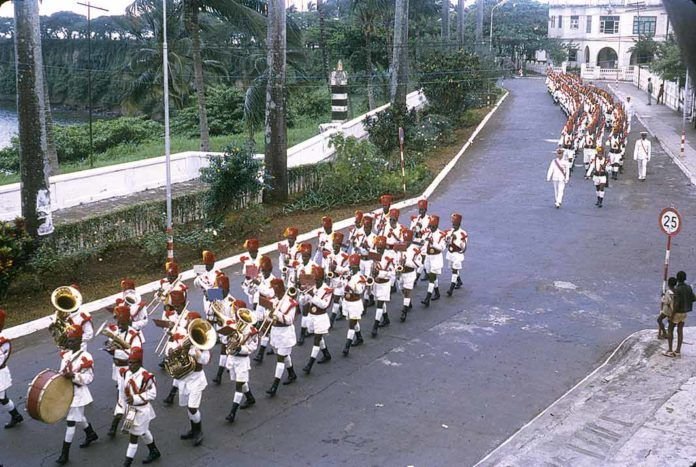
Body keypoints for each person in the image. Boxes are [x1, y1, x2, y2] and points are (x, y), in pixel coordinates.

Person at [56, 325, 99, 465]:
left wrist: (74, 375)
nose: (70, 343)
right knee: (77, 417)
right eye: (69, 340)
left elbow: (89, 378)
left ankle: (64, 454)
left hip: (79, 393)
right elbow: (61, 371)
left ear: (80, 340)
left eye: (73, 340)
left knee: (71, 422)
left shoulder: (86, 357)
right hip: (67, 392)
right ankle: (91, 434)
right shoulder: (66, 355)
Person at [106, 305, 145, 437]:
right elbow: (114, 344)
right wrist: (109, 345)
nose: (119, 325)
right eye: (118, 322)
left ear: (128, 321)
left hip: (131, 371)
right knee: (121, 395)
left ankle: (121, 424)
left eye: (122, 323)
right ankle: (117, 423)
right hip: (118, 369)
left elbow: (135, 353)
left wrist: (116, 352)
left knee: (130, 397)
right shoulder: (117, 331)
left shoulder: (135, 336)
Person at [119, 347, 161, 466]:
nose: (130, 365)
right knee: (143, 431)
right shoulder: (126, 373)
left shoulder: (147, 376)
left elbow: (153, 394)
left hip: (142, 410)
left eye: (133, 363)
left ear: (140, 362)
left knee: (133, 437)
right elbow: (122, 391)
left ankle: (127, 463)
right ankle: (154, 450)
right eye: (129, 362)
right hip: (131, 410)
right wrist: (122, 407)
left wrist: (136, 398)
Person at [173, 311, 209, 446]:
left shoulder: (202, 340)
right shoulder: (182, 338)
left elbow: (205, 360)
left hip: (196, 378)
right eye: (188, 321)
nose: (188, 323)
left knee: (192, 407)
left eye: (191, 321)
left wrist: (197, 352)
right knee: (188, 407)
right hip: (184, 377)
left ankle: (199, 431)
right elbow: (171, 353)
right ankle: (193, 430)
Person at [224, 301, 259, 423]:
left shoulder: (252, 331)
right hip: (233, 358)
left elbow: (253, 347)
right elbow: (225, 340)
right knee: (241, 382)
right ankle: (250, 398)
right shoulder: (233, 325)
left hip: (242, 360)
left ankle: (232, 412)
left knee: (238, 385)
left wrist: (241, 348)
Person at [266, 280, 299, 397]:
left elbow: (290, 320)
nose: (272, 291)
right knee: (283, 355)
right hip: (276, 332)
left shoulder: (290, 302)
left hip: (285, 333)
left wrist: (277, 314)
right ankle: (292, 373)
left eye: (274, 289)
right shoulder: (274, 301)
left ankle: (275, 385)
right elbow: (269, 317)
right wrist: (269, 315)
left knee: (280, 358)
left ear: (279, 289)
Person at [302, 266, 333, 374]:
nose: (313, 281)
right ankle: (326, 354)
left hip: (320, 317)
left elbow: (324, 305)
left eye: (315, 279)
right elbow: (303, 302)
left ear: (320, 278)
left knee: (316, 340)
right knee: (318, 337)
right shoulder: (312, 286)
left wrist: (313, 296)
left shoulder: (327, 290)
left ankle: (309, 364)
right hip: (311, 316)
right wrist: (303, 294)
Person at [0, 309, 23, 429]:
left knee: (2, 398)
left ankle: (16, 415)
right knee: (2, 399)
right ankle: (16, 415)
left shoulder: (3, 342)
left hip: (0, 374)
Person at [665, 271, 696, 357]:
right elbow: (694, 298)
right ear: (685, 278)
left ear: (677, 279)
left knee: (670, 329)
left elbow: (677, 304)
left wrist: (672, 315)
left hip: (677, 313)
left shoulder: (677, 289)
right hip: (684, 313)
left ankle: (670, 350)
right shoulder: (689, 287)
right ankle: (678, 351)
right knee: (680, 331)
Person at [342, 254, 366, 356]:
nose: (351, 269)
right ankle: (359, 337)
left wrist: (351, 287)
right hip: (347, 302)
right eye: (350, 267)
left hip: (355, 303)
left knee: (351, 325)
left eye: (353, 267)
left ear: (357, 267)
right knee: (353, 321)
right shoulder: (348, 275)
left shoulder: (360, 277)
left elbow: (360, 290)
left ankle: (347, 346)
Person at [421, 215, 447, 307]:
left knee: (432, 277)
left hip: (436, 257)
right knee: (431, 275)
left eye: (433, 226)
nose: (431, 228)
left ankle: (427, 298)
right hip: (428, 257)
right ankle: (437, 293)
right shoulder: (428, 233)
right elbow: (423, 243)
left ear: (436, 226)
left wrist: (433, 243)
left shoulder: (441, 235)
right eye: (430, 226)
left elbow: (442, 248)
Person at [398, 230, 422, 322]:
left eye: (407, 240)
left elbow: (418, 264)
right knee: (402, 290)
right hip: (401, 273)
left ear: (411, 240)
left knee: (407, 292)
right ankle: (408, 302)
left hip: (410, 273)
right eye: (404, 240)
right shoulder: (400, 248)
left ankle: (404, 311)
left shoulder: (415, 250)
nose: (405, 242)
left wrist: (406, 262)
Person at [445, 214, 468, 297]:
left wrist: (455, 240)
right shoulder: (450, 231)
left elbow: (463, 247)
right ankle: (459, 281)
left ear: (459, 224)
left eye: (455, 224)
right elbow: (446, 242)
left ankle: (451, 289)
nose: (453, 226)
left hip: (457, 254)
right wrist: (447, 239)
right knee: (452, 268)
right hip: (450, 253)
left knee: (454, 270)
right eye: (453, 224)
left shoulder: (462, 233)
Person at [193, 250, 218, 321]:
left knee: (217, 319)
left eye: (210, 264)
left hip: (216, 299)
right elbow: (196, 283)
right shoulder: (199, 269)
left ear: (214, 262)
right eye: (206, 264)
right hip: (206, 299)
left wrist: (210, 294)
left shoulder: (218, 273)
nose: (208, 266)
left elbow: (223, 292)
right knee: (209, 318)